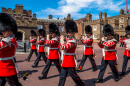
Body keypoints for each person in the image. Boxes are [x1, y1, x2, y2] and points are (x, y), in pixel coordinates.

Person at [58, 20, 84, 86]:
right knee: (62, 76)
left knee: (74, 76)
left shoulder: (73, 41)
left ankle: (81, 85)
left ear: (73, 32)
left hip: (70, 61)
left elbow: (64, 47)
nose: (68, 33)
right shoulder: (70, 39)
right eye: (68, 32)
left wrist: (61, 40)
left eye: (70, 32)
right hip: (65, 60)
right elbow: (66, 41)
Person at [0, 13, 22, 86]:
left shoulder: (9, 41)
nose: (2, 32)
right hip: (2, 67)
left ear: (9, 30)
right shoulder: (6, 39)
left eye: (3, 31)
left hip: (8, 68)